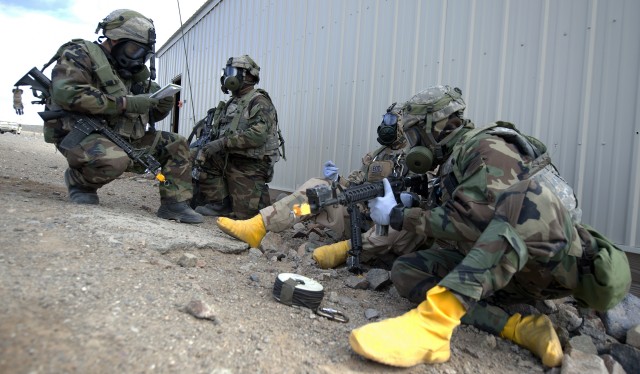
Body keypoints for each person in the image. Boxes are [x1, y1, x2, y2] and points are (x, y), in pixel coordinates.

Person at [348, 85, 631, 368]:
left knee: (521, 199)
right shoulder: (453, 161)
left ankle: (433, 324)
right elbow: (468, 222)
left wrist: (400, 216)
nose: (412, 144)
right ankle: (520, 327)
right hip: (512, 274)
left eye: (414, 134)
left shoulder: (484, 148)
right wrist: (416, 208)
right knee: (407, 271)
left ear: (433, 126)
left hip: (562, 267)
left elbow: (476, 221)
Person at [215, 103, 428, 269]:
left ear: (404, 124)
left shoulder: (420, 158)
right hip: (359, 217)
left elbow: (426, 205)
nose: (386, 125)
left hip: (391, 231)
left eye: (392, 120)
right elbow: (353, 184)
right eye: (385, 119)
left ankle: (343, 252)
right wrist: (336, 180)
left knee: (397, 220)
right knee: (318, 192)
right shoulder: (377, 155)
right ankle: (259, 225)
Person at [49, 9, 202, 224]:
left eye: (143, 54)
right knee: (115, 161)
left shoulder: (129, 71)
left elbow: (148, 115)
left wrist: (161, 104)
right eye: (133, 50)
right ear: (115, 40)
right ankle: (80, 182)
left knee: (177, 144)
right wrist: (125, 103)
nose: (137, 58)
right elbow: (66, 93)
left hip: (121, 135)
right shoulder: (80, 53)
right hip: (81, 133)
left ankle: (174, 204)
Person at [193, 55, 283, 220]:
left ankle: (247, 201)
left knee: (248, 217)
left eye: (232, 72)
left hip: (251, 164)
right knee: (201, 158)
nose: (227, 76)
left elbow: (257, 136)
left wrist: (221, 143)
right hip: (232, 158)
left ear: (248, 76)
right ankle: (220, 202)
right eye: (227, 72)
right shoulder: (233, 102)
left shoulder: (259, 101)